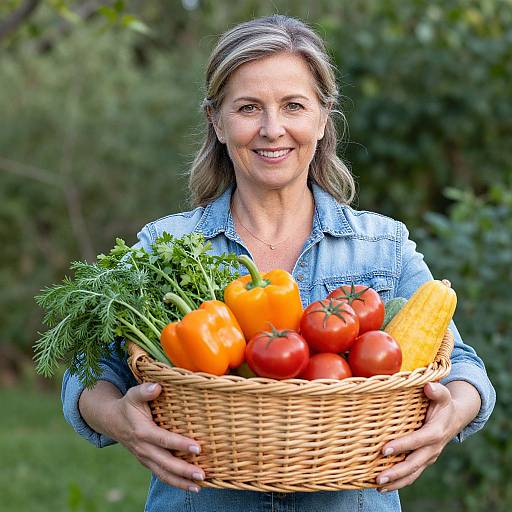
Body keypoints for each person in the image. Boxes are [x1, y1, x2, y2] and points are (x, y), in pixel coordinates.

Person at [62, 14, 496, 512]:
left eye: (293, 106)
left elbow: (462, 366)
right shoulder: (167, 245)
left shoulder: (383, 244)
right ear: (217, 122)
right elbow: (89, 370)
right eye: (248, 108)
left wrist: (451, 417)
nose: (273, 130)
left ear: (322, 118)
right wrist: (117, 418)